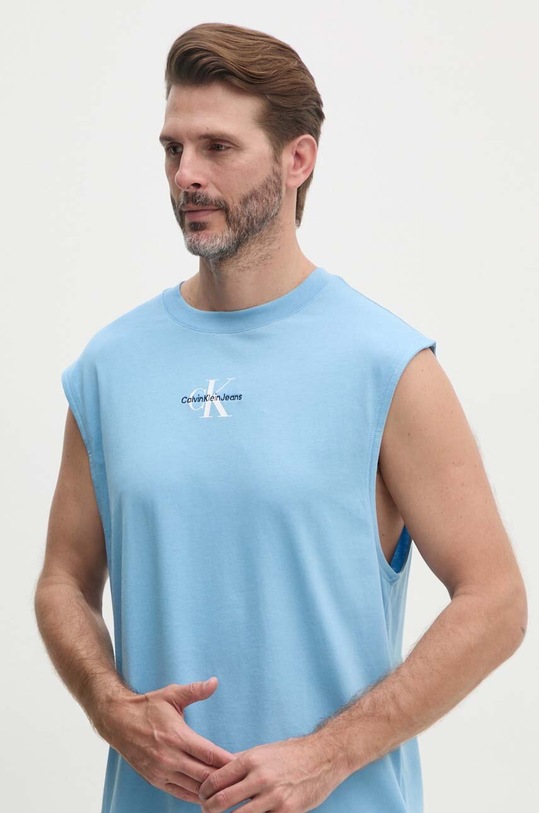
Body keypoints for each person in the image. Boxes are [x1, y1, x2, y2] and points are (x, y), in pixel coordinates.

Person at [35, 22, 527, 813]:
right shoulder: (109, 367)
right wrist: (110, 705)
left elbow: (495, 601)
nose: (186, 175)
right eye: (172, 149)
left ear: (297, 159)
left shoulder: (386, 365)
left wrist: (326, 755)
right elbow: (63, 579)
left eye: (216, 148)